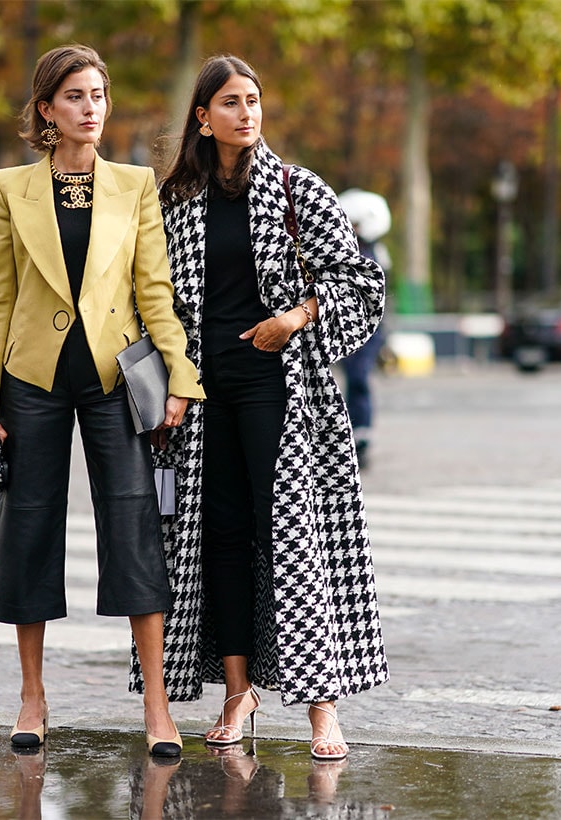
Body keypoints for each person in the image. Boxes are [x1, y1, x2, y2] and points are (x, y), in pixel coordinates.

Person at [0, 44, 205, 758]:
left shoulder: (135, 186)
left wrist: (181, 378)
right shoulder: (10, 187)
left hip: (112, 379)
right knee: (27, 528)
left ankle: (157, 706)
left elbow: (154, 292)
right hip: (30, 380)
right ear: (46, 110)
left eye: (98, 95)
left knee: (134, 529)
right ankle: (32, 695)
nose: (90, 108)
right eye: (74, 96)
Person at [145, 54, 389, 761]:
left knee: (291, 536)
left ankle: (322, 712)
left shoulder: (296, 190)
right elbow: (152, 296)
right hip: (201, 391)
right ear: (202, 115)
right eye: (229, 102)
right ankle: (237, 692)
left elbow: (360, 285)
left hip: (278, 388)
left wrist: (297, 315)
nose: (245, 113)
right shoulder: (176, 199)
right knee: (218, 537)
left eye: (253, 100)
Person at [337, 188, 393, 469]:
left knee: (358, 380)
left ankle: (360, 436)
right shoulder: (359, 251)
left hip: (366, 330)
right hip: (347, 327)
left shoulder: (372, 255)